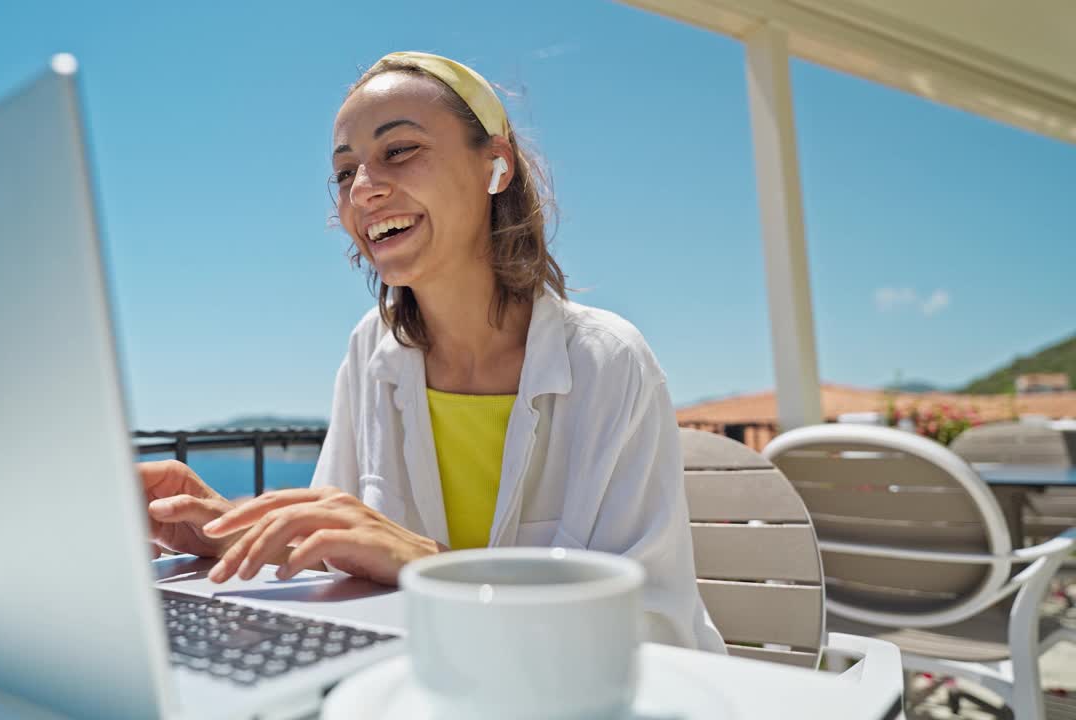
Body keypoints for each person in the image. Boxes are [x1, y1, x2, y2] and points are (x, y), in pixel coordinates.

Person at [140, 51, 725, 652]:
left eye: (399, 151)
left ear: (495, 165)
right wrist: (227, 529)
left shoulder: (609, 362)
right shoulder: (370, 349)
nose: (363, 189)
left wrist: (432, 564)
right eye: (344, 173)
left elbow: (654, 631)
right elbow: (339, 549)